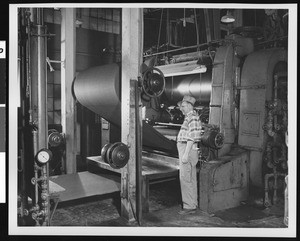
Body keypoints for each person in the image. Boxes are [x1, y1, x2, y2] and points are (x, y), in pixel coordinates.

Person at [177, 95, 202, 215]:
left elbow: (192, 137)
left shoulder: (192, 117)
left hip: (187, 150)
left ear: (189, 106)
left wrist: (186, 154)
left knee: (185, 178)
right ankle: (192, 204)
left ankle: (188, 206)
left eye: (183, 106)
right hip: (187, 149)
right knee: (190, 178)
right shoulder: (190, 117)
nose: (181, 109)